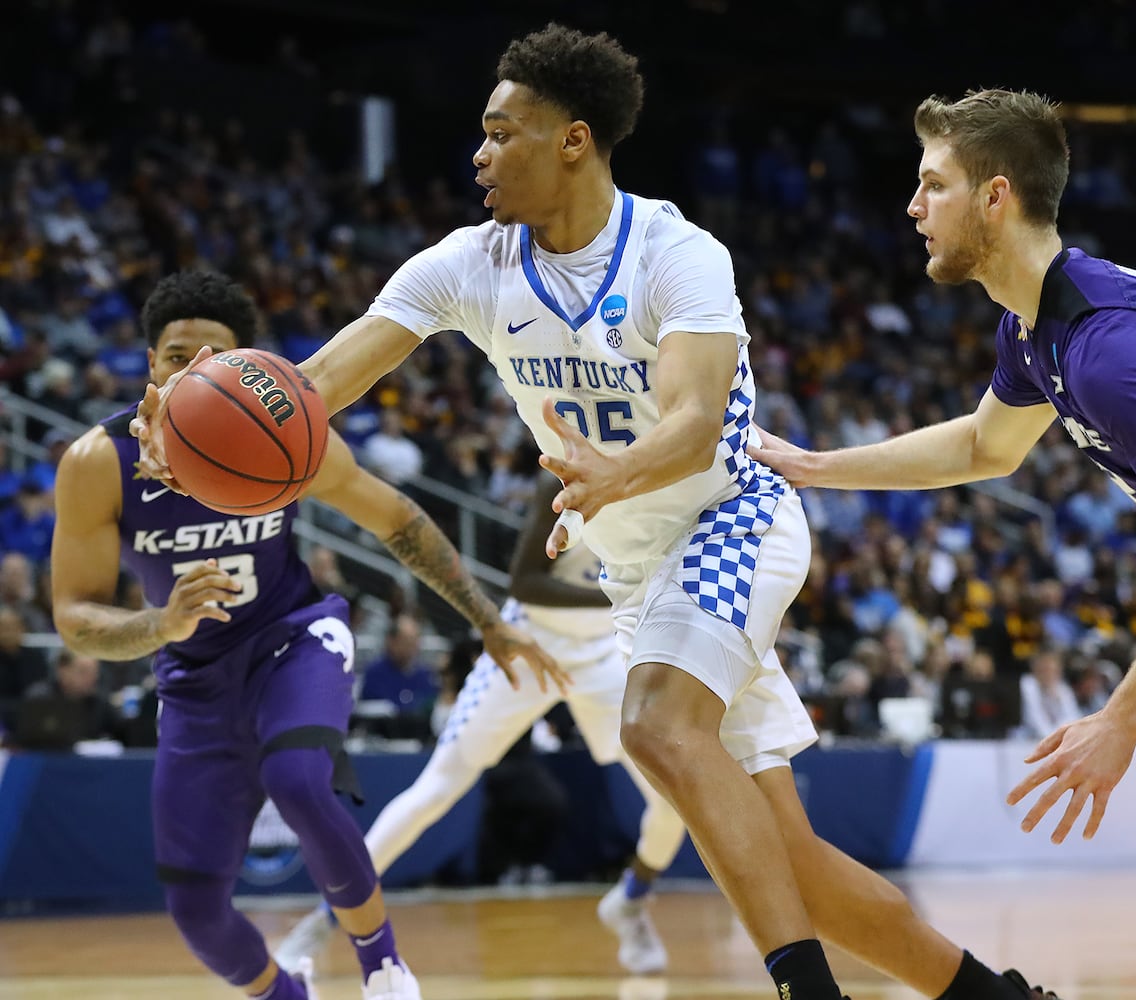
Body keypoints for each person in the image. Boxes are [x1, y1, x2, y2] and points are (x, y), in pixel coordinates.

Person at [134, 26, 1057, 1000]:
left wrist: (619, 469)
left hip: (730, 520)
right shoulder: (464, 264)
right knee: (795, 865)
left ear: (572, 140)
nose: (479, 155)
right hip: (637, 573)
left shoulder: (675, 253)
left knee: (656, 723)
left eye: (502, 133)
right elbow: (316, 384)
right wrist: (192, 435)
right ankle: (995, 998)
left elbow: (699, 420)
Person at [749, 87, 1136, 938]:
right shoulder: (1035, 326)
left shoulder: (1110, 349)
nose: (912, 205)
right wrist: (820, 468)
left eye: (934, 184)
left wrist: (1120, 724)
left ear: (996, 197)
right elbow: (983, 448)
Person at [52, 271, 564, 1000]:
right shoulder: (98, 464)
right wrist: (159, 625)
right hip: (194, 681)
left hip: (292, 637)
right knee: (195, 909)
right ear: (150, 364)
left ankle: (384, 968)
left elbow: (400, 520)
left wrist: (488, 621)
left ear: (239, 366)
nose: (190, 370)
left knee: (297, 778)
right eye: (174, 355)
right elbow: (74, 616)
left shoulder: (281, 435)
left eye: (211, 356)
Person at [278, 473, 688, 975]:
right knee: (437, 789)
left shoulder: (664, 475)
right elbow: (525, 582)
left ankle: (630, 900)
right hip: (529, 639)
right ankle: (324, 919)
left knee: (673, 798)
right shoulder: (562, 475)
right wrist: (619, 598)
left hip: (603, 652)